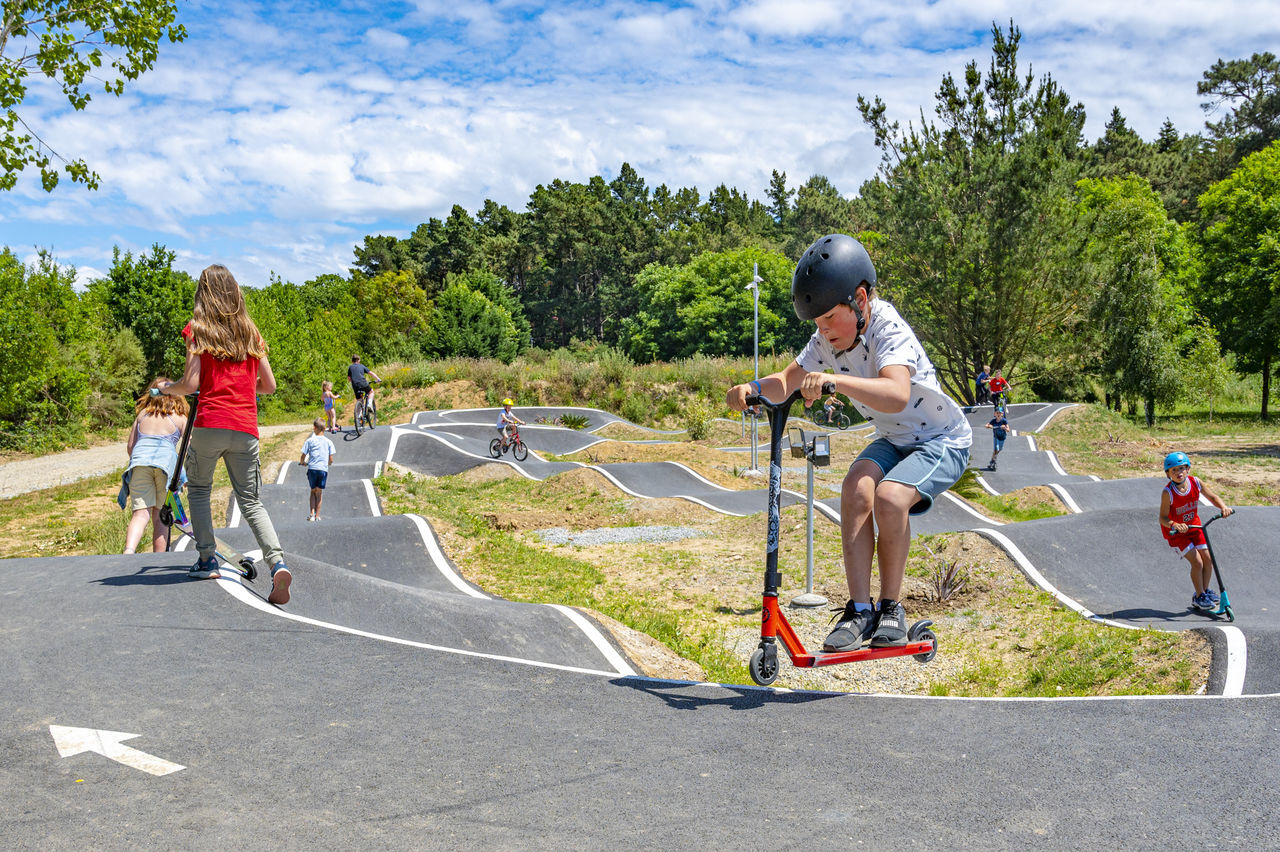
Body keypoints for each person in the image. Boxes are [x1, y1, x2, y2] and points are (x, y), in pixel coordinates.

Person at [726, 234, 972, 649]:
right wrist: (750, 387)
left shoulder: (887, 329)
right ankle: (860, 611)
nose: (822, 331)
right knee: (855, 487)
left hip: (940, 438)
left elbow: (895, 393)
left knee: (890, 498)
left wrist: (836, 381)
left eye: (828, 319)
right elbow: (788, 380)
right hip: (895, 437)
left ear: (859, 300)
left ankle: (892, 607)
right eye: (817, 324)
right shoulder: (827, 340)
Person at [159, 264, 292, 605]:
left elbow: (190, 385)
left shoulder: (198, 330)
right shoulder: (251, 332)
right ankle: (277, 563)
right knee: (251, 501)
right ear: (235, 291)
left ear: (203, 293)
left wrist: (166, 389)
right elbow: (271, 386)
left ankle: (206, 560)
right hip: (245, 427)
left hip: (210, 423)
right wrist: (244, 387)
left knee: (201, 490)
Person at [121, 378, 189, 554]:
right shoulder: (180, 417)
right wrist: (185, 476)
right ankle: (159, 557)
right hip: (165, 468)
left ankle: (129, 551)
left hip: (139, 464)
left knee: (140, 514)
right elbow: (187, 451)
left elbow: (130, 447)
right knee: (161, 516)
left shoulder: (142, 415)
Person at [1159, 451, 1233, 611]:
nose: (1179, 473)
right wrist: (1174, 525)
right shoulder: (1168, 492)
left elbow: (1212, 497)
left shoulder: (1196, 482)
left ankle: (1204, 592)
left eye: (1181, 469)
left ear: (1188, 469)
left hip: (1195, 527)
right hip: (1177, 534)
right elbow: (1162, 518)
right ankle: (1198, 596)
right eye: (1174, 470)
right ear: (1168, 474)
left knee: (1208, 559)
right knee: (1197, 562)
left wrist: (1223, 507)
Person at [300, 417, 336, 522]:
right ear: (324, 429)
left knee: (312, 491)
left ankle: (311, 514)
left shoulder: (310, 441)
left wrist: (303, 462)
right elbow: (331, 459)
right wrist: (329, 463)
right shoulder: (329, 442)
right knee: (319, 493)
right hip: (323, 470)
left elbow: (303, 455)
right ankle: (317, 516)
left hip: (312, 469)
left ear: (315, 428)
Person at [347, 355, 382, 419]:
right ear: (359, 360)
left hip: (355, 385)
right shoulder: (362, 366)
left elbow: (349, 379)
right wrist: (378, 379)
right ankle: (369, 404)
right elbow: (370, 373)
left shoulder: (350, 367)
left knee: (359, 399)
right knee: (371, 392)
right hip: (363, 383)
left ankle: (359, 415)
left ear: (352, 361)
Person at [985, 406, 1009, 471]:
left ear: (1002, 414)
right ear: (995, 414)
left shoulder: (1004, 421)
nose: (998, 414)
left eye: (1000, 413)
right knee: (996, 449)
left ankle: (992, 459)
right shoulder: (993, 421)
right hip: (996, 437)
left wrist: (1004, 428)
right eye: (997, 413)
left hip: (1002, 437)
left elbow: (1008, 429)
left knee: (999, 449)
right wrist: (989, 426)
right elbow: (986, 425)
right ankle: (993, 461)